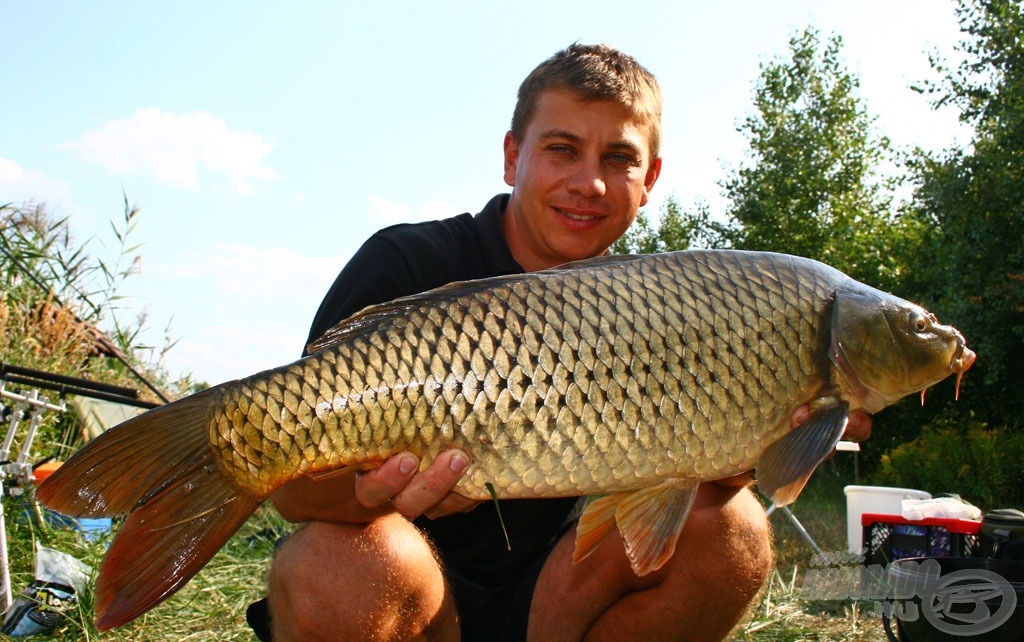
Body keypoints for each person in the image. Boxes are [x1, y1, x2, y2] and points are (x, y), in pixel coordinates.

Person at [247, 43, 872, 642]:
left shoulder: (663, 304)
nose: (589, 183)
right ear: (512, 156)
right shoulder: (408, 263)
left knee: (731, 527)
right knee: (334, 560)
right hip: (402, 589)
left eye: (619, 159)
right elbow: (291, 488)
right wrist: (370, 497)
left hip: (556, 599)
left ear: (650, 178)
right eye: (561, 149)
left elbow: (676, 501)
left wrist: (740, 448)